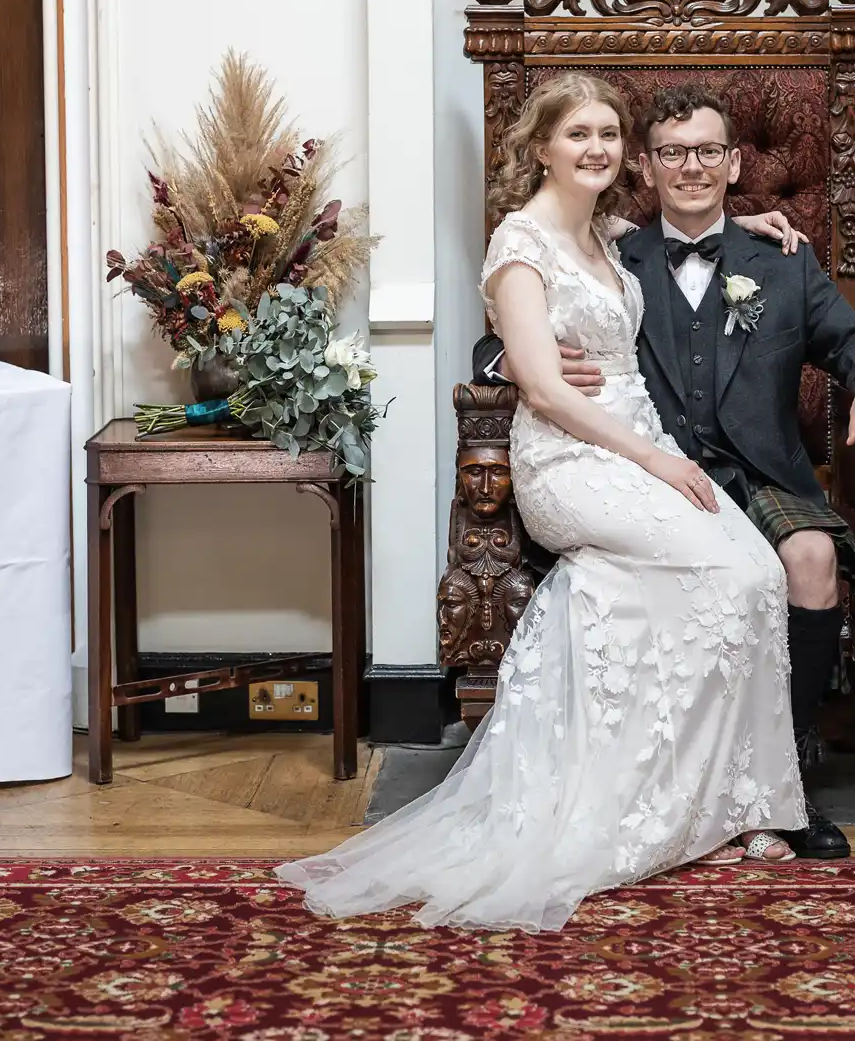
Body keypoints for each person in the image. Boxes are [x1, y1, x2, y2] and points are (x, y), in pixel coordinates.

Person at [277, 73, 820, 931]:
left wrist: (740, 225)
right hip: (573, 460)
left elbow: (683, 242)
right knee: (733, 568)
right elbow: (542, 383)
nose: (598, 147)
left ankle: (719, 804)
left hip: (646, 452)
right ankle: (659, 805)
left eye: (609, 132)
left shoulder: (614, 234)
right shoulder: (518, 243)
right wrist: (653, 459)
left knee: (753, 568)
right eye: (580, 135)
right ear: (543, 148)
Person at [474, 81, 855, 860]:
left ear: (735, 161)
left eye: (708, 151)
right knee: (721, 573)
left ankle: (790, 774)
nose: (692, 168)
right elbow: (520, 336)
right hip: (648, 466)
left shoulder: (780, 261)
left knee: (808, 557)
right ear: (646, 167)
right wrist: (507, 358)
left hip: (756, 471)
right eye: (673, 153)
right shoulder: (615, 247)